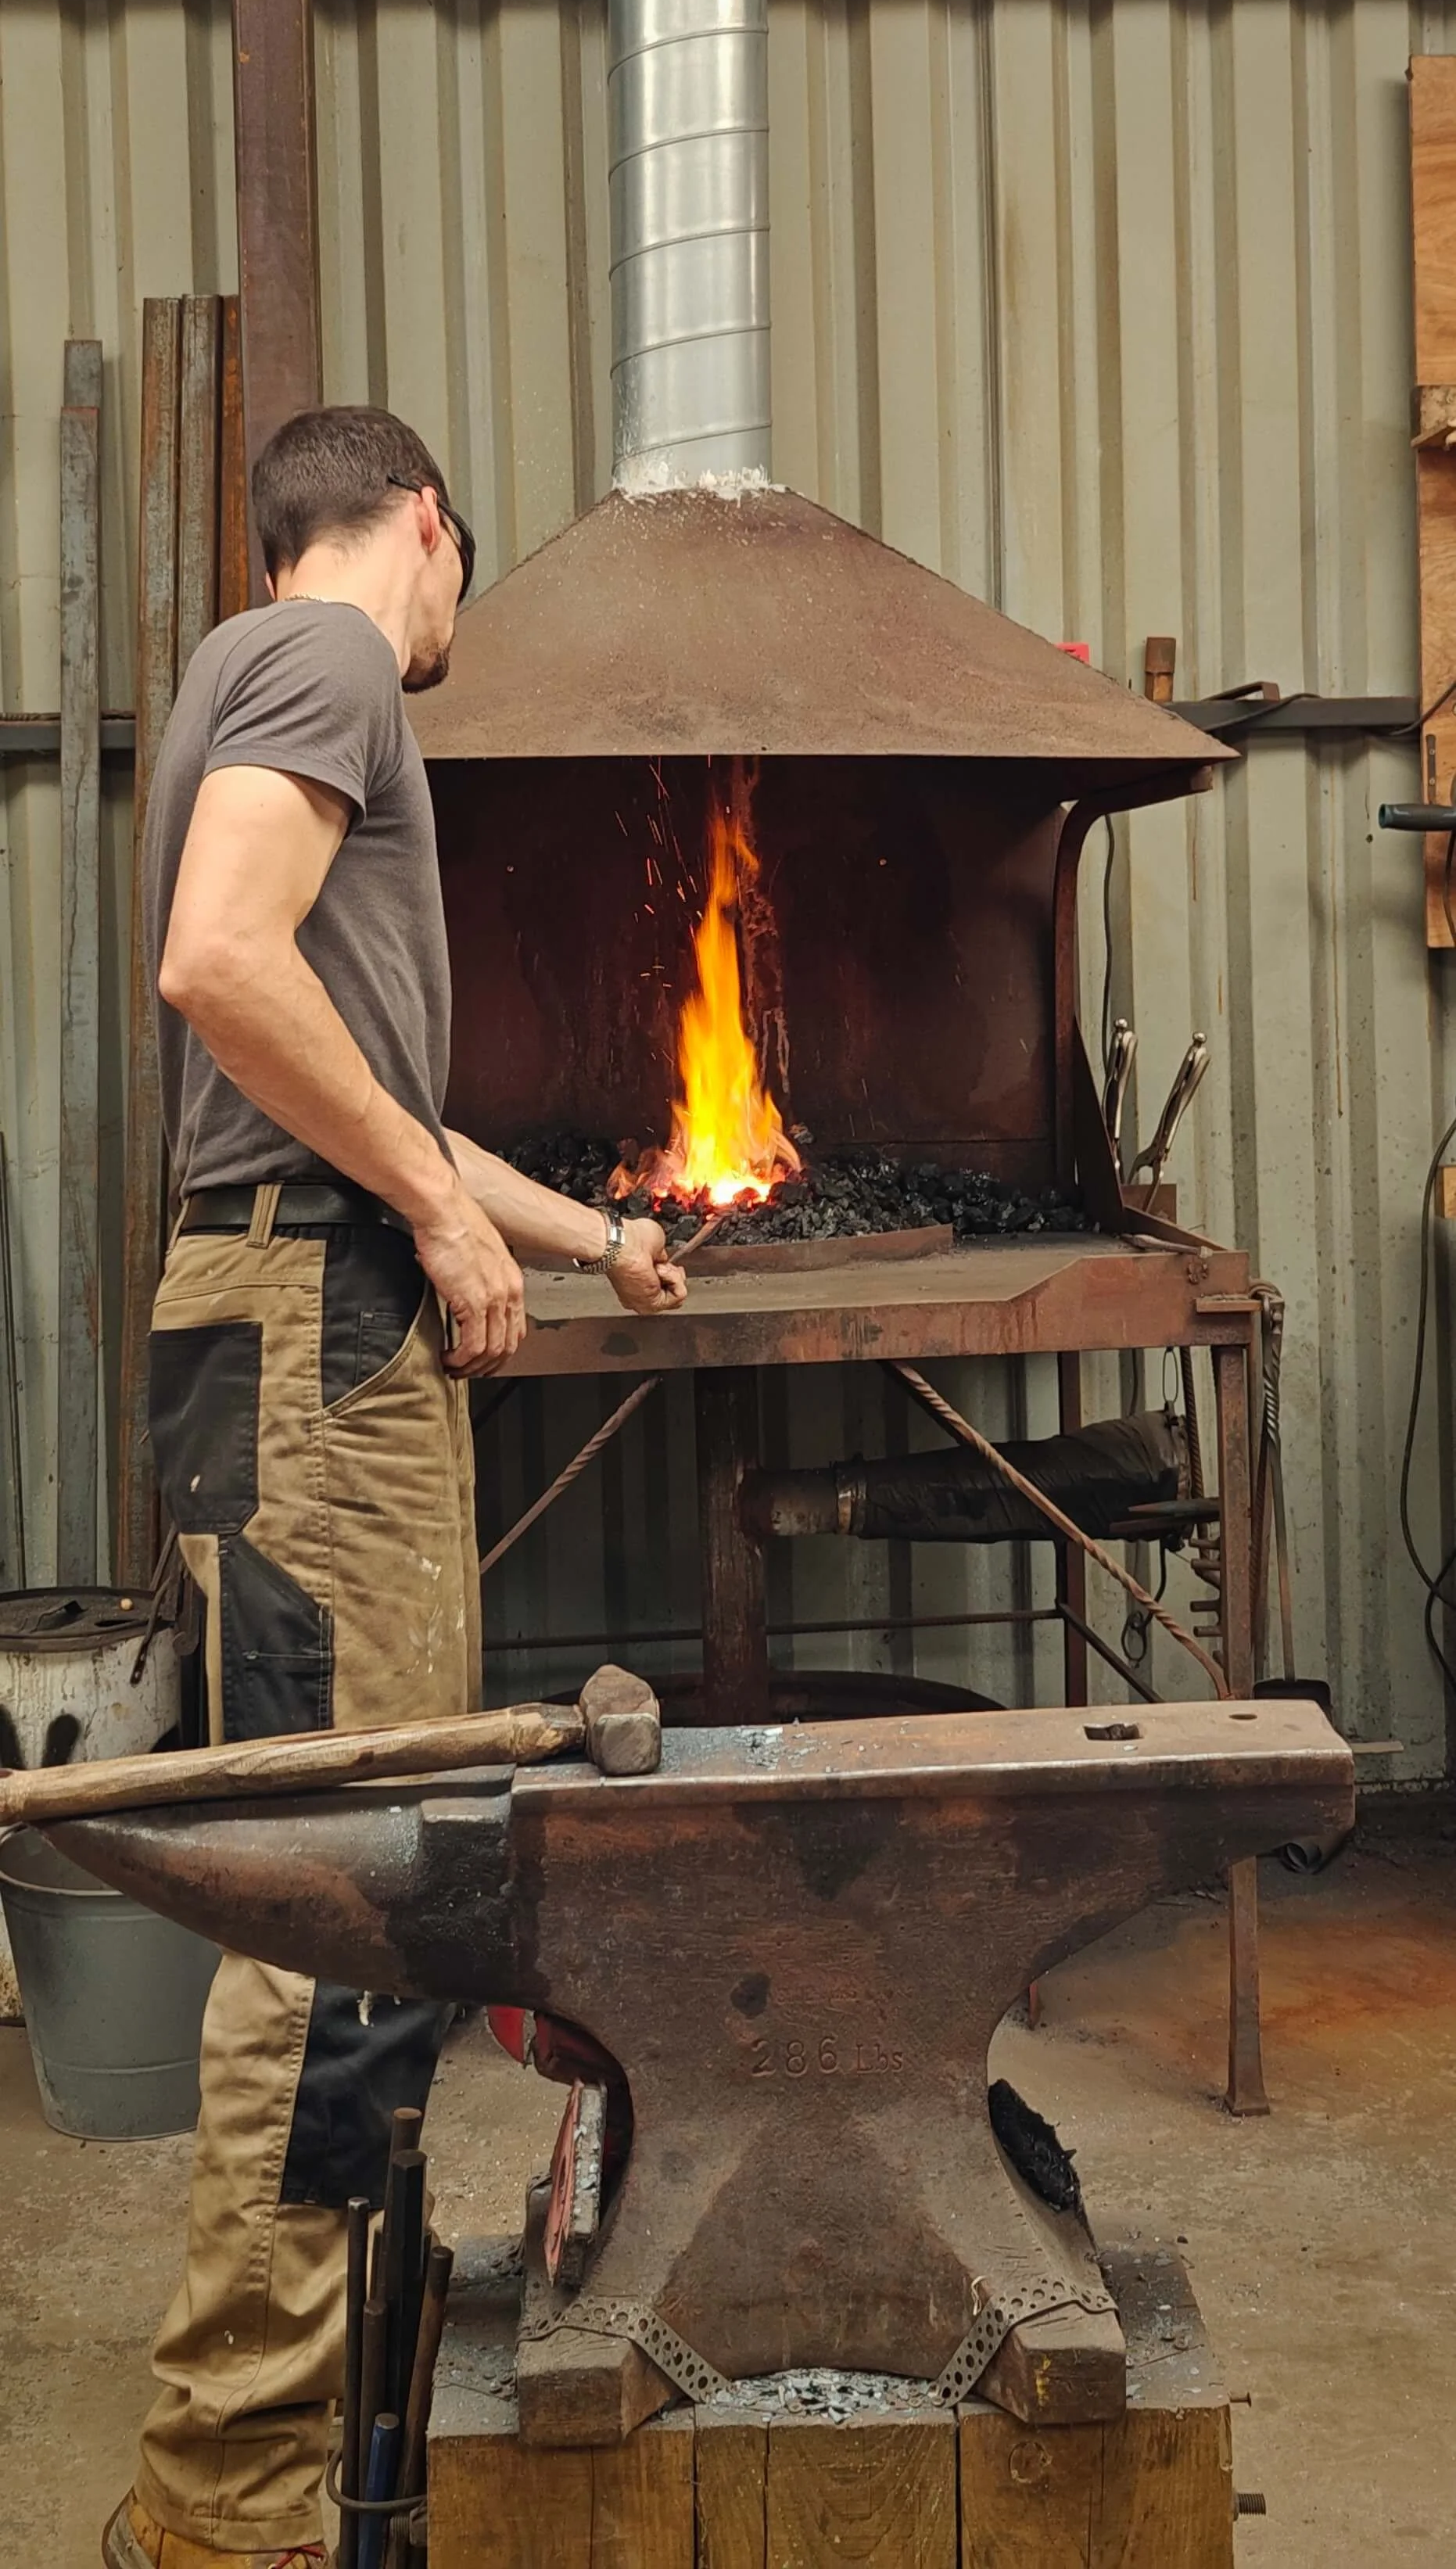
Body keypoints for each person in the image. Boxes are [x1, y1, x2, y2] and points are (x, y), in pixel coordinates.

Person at [104, 407, 685, 2569]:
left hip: (313, 1308)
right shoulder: (329, 657)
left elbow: (345, 1094)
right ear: (424, 524)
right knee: (341, 1907)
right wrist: (436, 1237)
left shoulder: (263, 669)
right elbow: (220, 968)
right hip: (313, 1327)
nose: (454, 617)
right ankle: (234, 2511)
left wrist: (561, 1231)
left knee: (379, 1879)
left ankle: (315, 2448)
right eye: (464, 570)